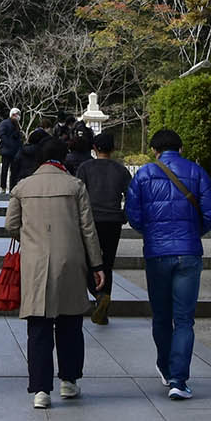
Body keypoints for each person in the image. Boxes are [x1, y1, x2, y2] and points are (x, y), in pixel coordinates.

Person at [123, 128, 211, 400]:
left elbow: (133, 214)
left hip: (157, 253)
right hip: (188, 252)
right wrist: (194, 231)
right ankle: (179, 380)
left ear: (155, 150)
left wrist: (153, 233)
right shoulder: (196, 172)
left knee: (161, 315)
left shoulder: (144, 174)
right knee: (184, 319)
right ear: (180, 148)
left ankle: (166, 368)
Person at [6, 137, 104, 409]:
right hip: (70, 262)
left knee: (38, 326)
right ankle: (69, 382)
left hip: (36, 263)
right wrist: (97, 265)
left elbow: (11, 224)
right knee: (70, 323)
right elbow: (88, 229)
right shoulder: (75, 186)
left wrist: (31, 237)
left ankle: (40, 390)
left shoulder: (23, 187)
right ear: (64, 158)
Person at [75, 132, 132, 325]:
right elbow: (130, 197)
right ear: (113, 149)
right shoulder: (121, 170)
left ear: (94, 148)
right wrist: (124, 216)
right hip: (113, 220)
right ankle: (104, 298)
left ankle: (98, 294)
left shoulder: (85, 168)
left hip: (90, 221)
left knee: (89, 260)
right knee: (107, 262)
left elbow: (78, 194)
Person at [0, 108, 24, 191]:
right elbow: (2, 135)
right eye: (17, 114)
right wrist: (9, 144)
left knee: (14, 171)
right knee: (4, 169)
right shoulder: (4, 123)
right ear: (12, 114)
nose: (18, 116)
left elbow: (18, 138)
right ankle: (3, 187)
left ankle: (12, 188)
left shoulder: (17, 125)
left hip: (15, 152)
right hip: (6, 150)